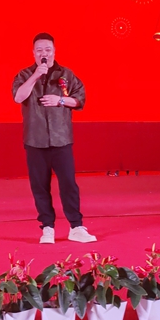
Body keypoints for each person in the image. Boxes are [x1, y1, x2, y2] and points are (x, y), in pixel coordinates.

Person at [12, 32, 97, 244]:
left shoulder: (66, 74)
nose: (44, 53)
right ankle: (47, 228)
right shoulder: (24, 74)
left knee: (68, 184)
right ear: (33, 53)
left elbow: (79, 100)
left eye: (48, 49)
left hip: (61, 140)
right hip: (35, 140)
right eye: (39, 50)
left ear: (54, 51)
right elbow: (18, 97)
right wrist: (35, 75)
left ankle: (76, 227)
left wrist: (60, 100)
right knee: (40, 186)